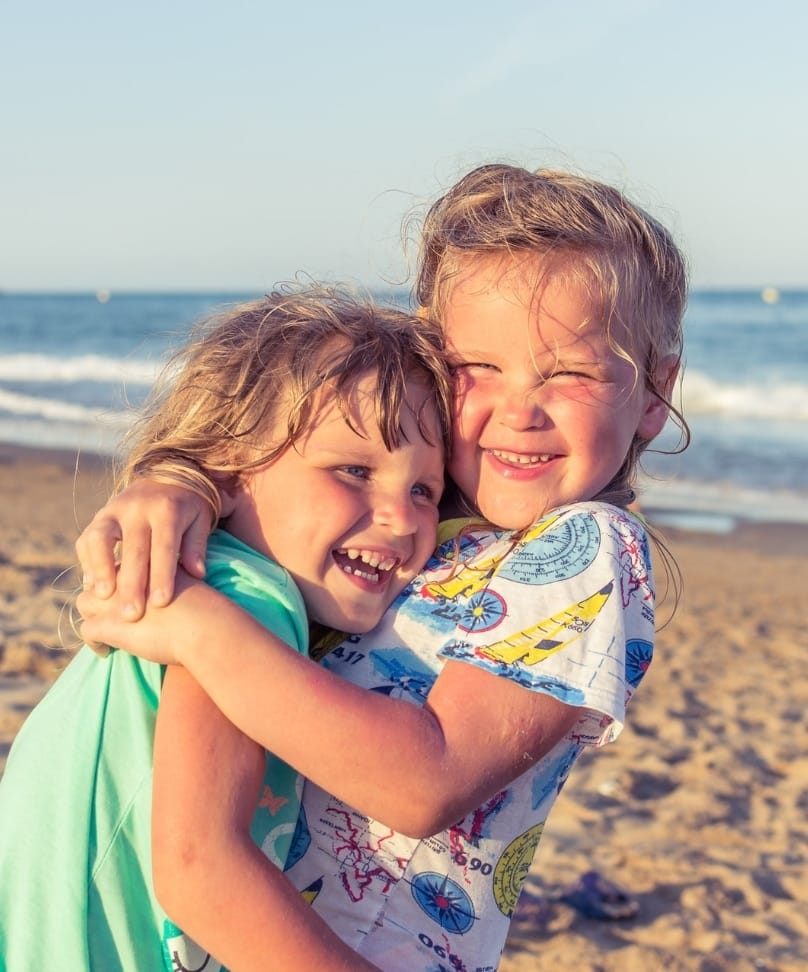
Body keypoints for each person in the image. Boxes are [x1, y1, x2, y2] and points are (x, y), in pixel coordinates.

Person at [76, 162, 688, 970]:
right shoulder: (420, 523)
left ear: (654, 391)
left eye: (570, 372)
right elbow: (286, 466)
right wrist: (181, 483)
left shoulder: (588, 549)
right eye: (479, 368)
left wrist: (194, 623)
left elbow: (423, 782)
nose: (519, 410)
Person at [0, 287, 452, 972]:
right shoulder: (246, 598)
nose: (399, 515)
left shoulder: (224, 580)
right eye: (353, 470)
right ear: (230, 470)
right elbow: (201, 868)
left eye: (425, 490)